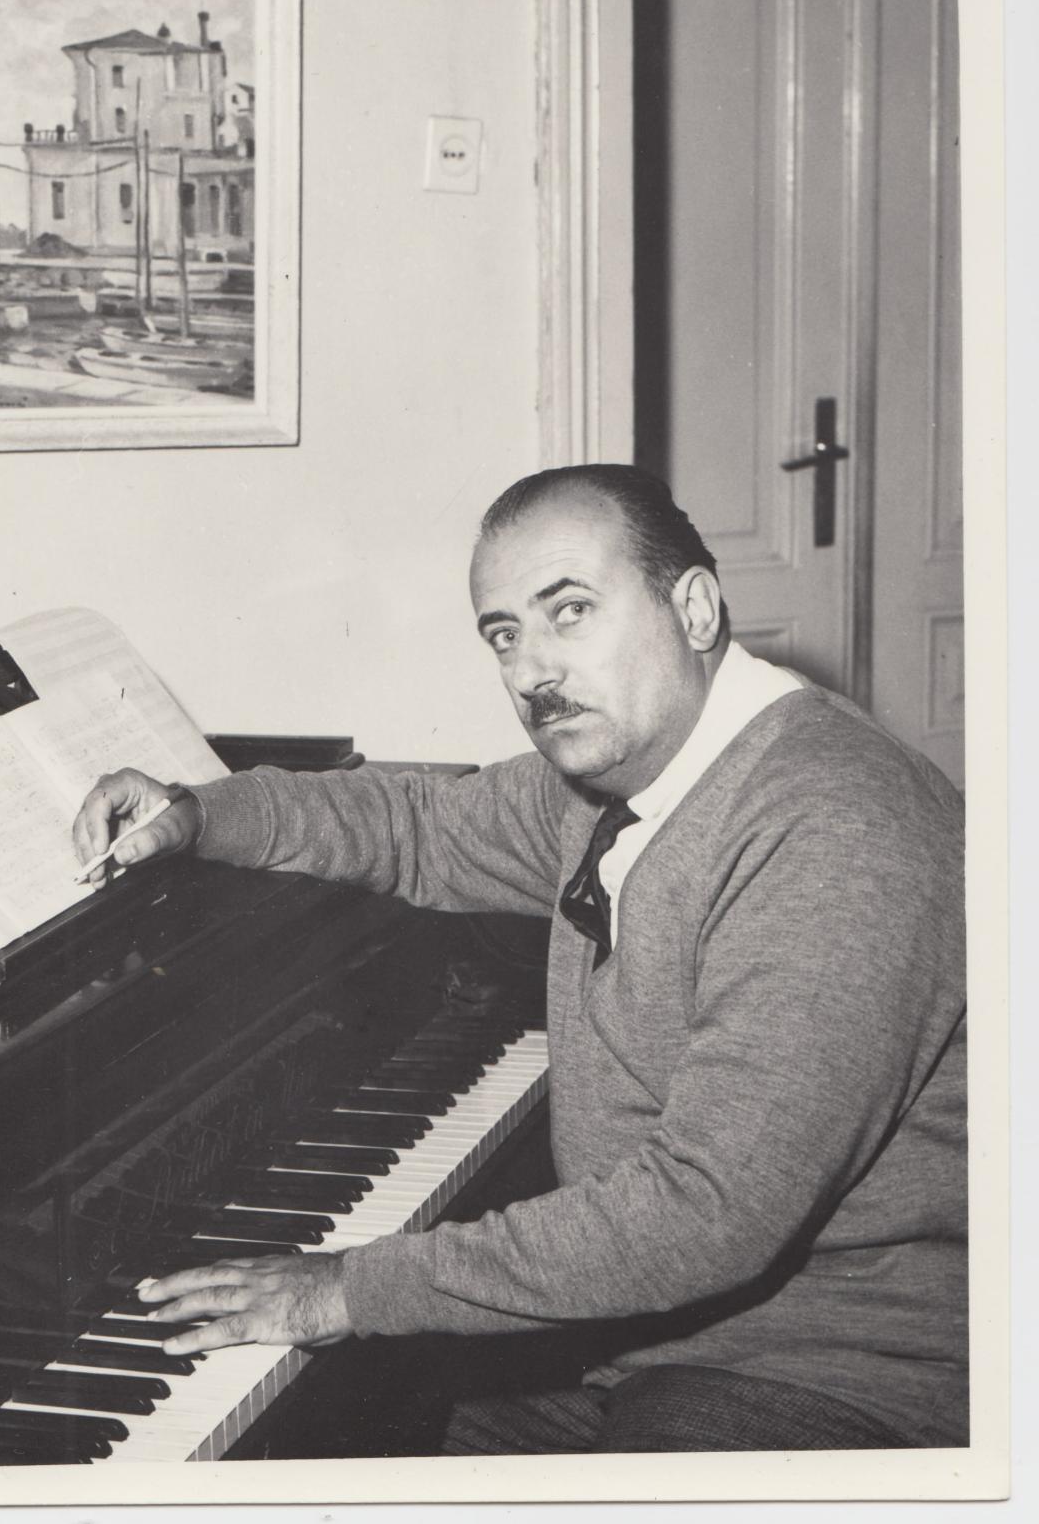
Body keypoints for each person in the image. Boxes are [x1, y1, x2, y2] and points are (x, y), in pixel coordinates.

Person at [72, 464, 967, 1454]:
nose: (533, 671)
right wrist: (198, 812)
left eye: (569, 610)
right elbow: (415, 824)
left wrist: (348, 1288)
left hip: (839, 1370)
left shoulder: (833, 827)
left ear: (696, 609)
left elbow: (704, 1214)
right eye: (504, 634)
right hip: (648, 1343)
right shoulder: (622, 778)